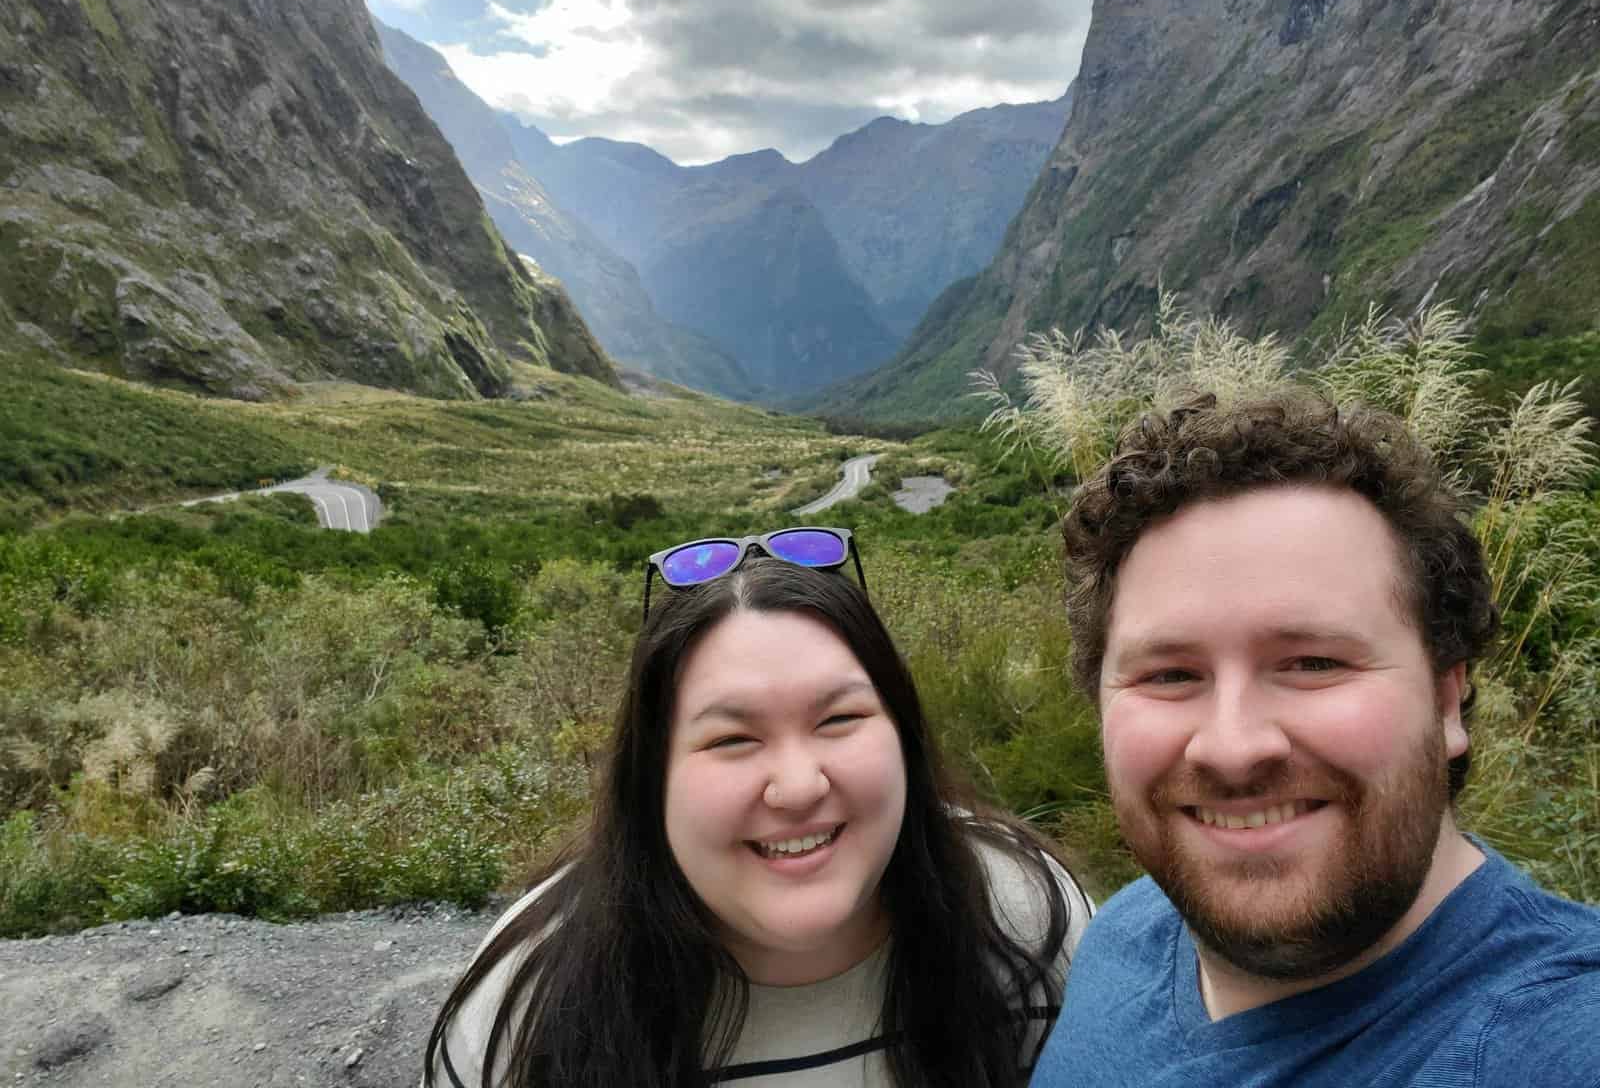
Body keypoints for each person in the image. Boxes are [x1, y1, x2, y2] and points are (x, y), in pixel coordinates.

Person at [1028, 392, 1600, 1088]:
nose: (1233, 747)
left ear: (1447, 698)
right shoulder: (1123, 935)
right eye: (1171, 674)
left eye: (1314, 664)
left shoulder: (1562, 1040)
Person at [425, 526, 1092, 1088]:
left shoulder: (1028, 927)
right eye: (733, 739)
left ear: (904, 737)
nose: (798, 786)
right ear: (652, 777)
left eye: (839, 719)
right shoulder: (528, 1007)